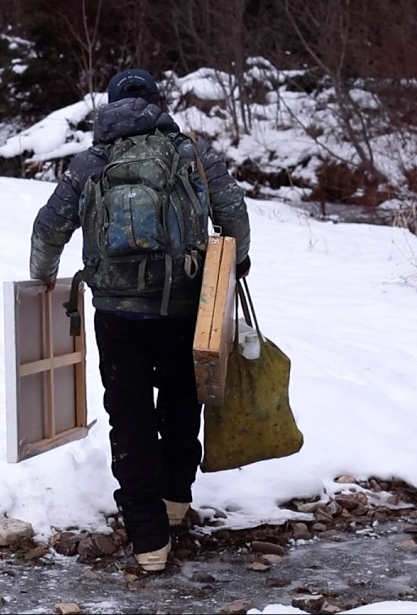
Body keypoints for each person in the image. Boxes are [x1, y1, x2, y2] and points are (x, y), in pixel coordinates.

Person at [28, 68, 251, 572]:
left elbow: (49, 226)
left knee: (129, 417)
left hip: (116, 313)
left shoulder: (92, 161)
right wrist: (237, 263)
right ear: (156, 102)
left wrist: (42, 277)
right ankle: (174, 501)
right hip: (182, 306)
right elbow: (233, 212)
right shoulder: (191, 152)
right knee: (180, 399)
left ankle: (149, 541)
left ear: (110, 107)